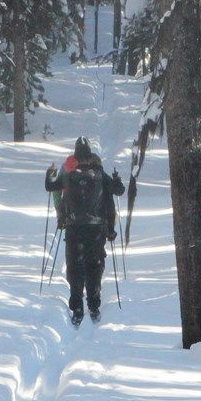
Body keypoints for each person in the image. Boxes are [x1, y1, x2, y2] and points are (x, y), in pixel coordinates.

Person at [45, 137, 125, 326]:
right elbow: (118, 191)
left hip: (73, 228)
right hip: (95, 228)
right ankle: (94, 305)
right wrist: (116, 179)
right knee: (94, 266)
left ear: (75, 156)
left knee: (75, 266)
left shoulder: (67, 175)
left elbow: (50, 187)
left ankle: (77, 307)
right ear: (89, 156)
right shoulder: (99, 174)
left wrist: (49, 174)